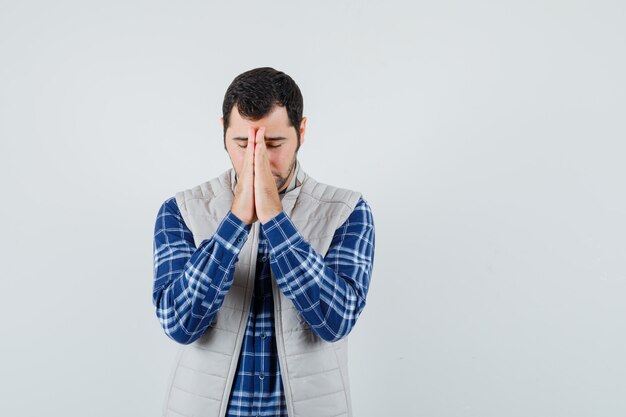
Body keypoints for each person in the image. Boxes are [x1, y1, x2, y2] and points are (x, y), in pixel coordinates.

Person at [152, 67, 375, 417]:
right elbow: (179, 323)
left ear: (301, 132)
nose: (257, 159)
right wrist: (235, 222)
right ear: (223, 133)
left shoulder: (346, 211)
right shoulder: (181, 210)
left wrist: (274, 217)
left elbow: (336, 321)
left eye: (273, 144)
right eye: (243, 144)